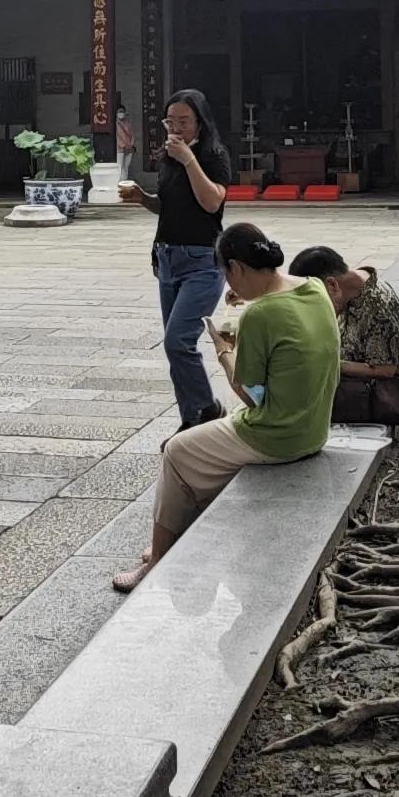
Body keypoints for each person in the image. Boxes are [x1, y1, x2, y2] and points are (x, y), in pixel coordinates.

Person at [114, 223, 336, 591]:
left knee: (176, 452)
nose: (229, 286)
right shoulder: (313, 288)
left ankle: (156, 560)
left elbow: (250, 394)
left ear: (236, 267)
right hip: (315, 426)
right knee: (209, 447)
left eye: (226, 274)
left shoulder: (259, 315)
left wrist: (222, 348)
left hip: (278, 435)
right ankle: (179, 533)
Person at [117, 88, 235, 425]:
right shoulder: (168, 156)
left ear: (200, 122)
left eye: (184, 121)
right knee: (177, 347)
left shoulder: (214, 155)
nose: (177, 128)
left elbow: (211, 203)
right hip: (168, 259)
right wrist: (143, 198)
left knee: (178, 342)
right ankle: (194, 415)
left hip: (202, 261)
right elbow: (170, 206)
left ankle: (203, 411)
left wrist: (189, 160)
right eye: (171, 121)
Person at [288, 244, 399, 424]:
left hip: (372, 386)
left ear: (332, 285)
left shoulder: (378, 307)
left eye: (314, 296)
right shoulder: (350, 285)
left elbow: (385, 370)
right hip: (347, 367)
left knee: (293, 393)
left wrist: (331, 363)